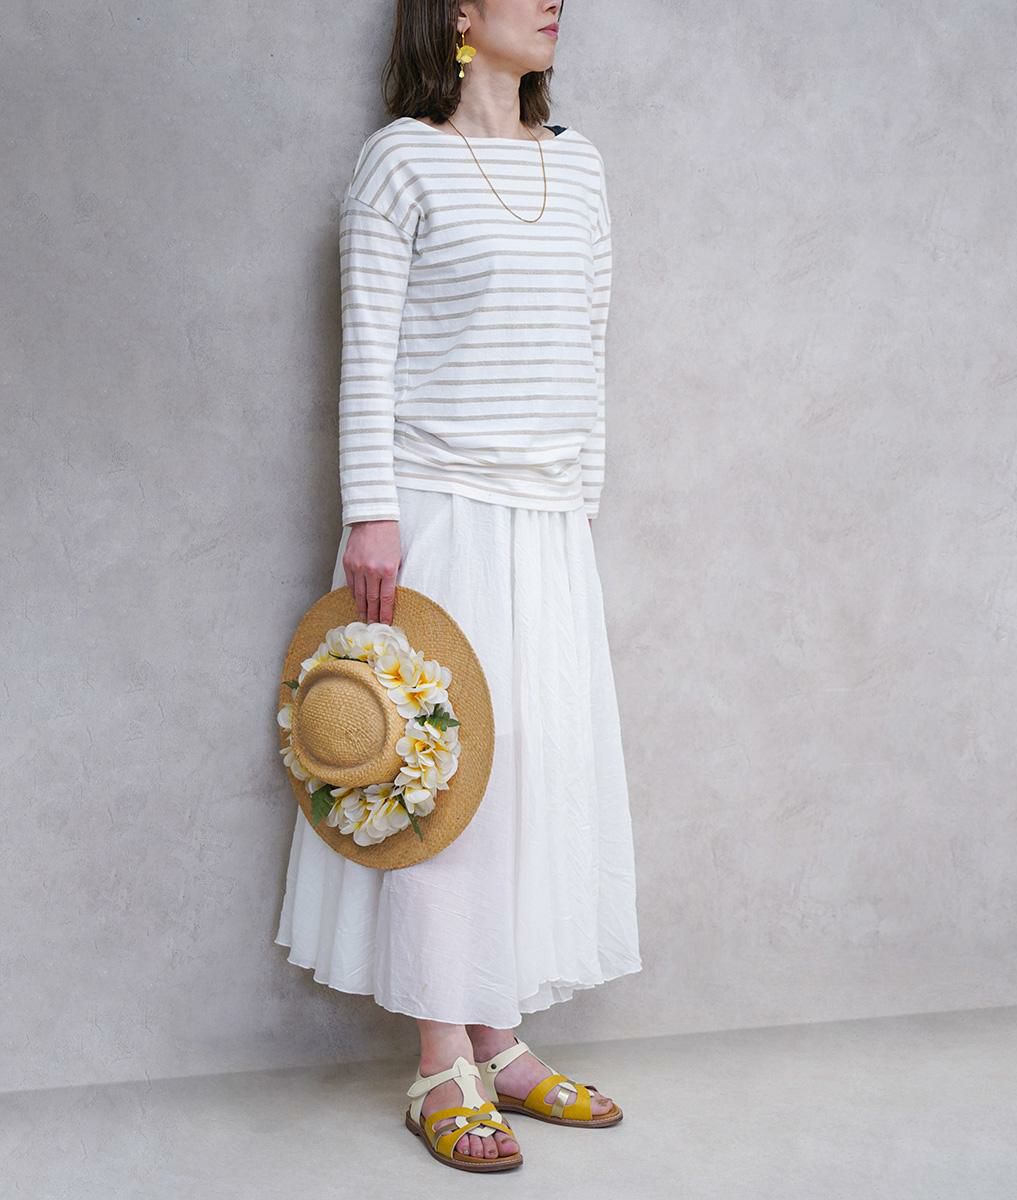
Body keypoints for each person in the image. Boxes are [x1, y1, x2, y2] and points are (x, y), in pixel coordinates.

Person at [273, 0, 642, 1171]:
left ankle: (502, 1040)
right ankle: (442, 1059)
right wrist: (370, 516)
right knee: (443, 776)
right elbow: (368, 353)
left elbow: (588, 345)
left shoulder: (578, 170)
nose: (554, 4)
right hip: (436, 512)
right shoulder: (402, 163)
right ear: (461, 16)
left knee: (531, 766)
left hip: (546, 521)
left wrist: (578, 500)